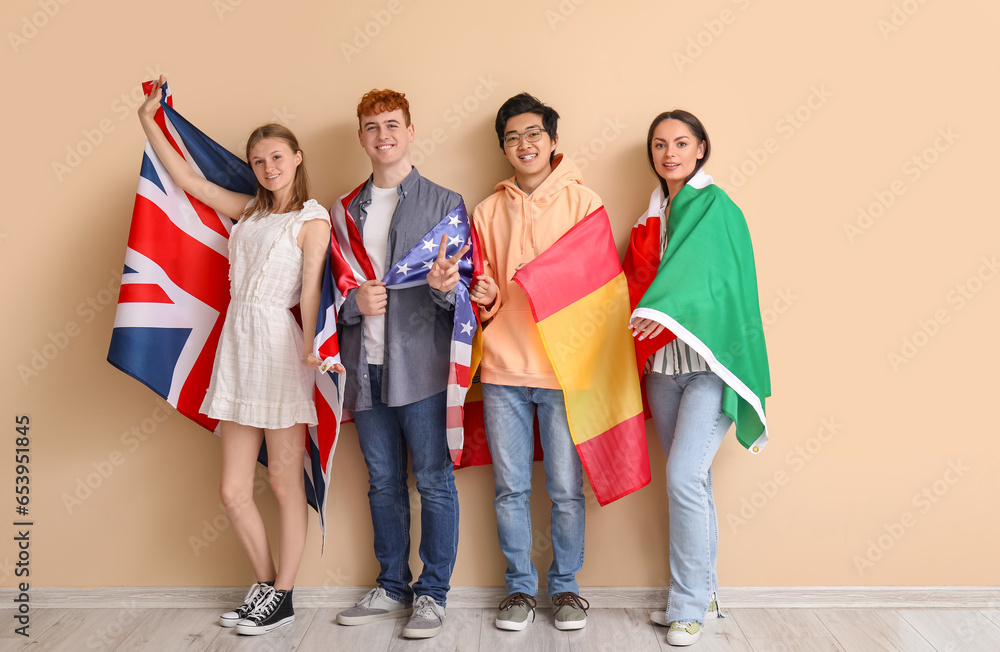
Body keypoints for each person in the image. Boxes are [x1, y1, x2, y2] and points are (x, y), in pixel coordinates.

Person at [137, 76, 336, 637]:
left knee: (282, 484)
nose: (268, 166)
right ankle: (270, 587)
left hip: (279, 348)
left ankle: (286, 593)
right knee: (231, 490)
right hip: (238, 347)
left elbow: (315, 287)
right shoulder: (248, 212)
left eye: (277, 156)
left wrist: (312, 347)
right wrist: (149, 119)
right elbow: (191, 183)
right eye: (258, 159)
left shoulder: (311, 219)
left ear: (297, 159)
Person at [626, 110, 770, 647]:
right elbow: (643, 277)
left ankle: (685, 606)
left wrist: (661, 308)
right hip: (663, 370)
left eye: (681, 143)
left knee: (683, 478)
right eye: (660, 144)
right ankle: (706, 589)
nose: (670, 153)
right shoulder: (654, 214)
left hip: (710, 370)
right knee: (695, 482)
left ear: (702, 148)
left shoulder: (718, 208)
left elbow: (712, 281)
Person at [332, 89, 468, 640]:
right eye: (371, 126)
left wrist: (443, 288)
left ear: (410, 131)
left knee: (433, 480)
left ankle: (432, 595)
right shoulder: (342, 212)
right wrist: (350, 305)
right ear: (361, 136)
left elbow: (463, 301)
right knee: (382, 482)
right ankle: (391, 586)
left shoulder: (446, 204)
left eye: (392, 124)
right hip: (364, 366)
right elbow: (324, 294)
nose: (382, 135)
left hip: (423, 367)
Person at [470, 92, 606, 632]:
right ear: (503, 148)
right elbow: (485, 291)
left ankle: (567, 588)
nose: (523, 144)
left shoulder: (585, 203)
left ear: (553, 141)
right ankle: (520, 589)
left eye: (533, 134)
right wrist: (484, 294)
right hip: (503, 366)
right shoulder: (486, 209)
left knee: (567, 488)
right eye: (512, 137)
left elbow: (598, 289)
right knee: (510, 488)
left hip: (564, 372)